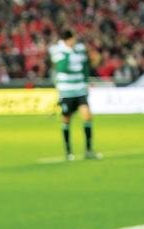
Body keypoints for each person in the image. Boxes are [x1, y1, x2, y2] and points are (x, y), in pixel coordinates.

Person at [49, 29, 101, 160]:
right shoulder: (58, 51)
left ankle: (88, 150)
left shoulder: (80, 49)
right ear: (67, 40)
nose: (74, 41)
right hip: (66, 91)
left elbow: (85, 66)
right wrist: (68, 53)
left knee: (87, 117)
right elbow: (61, 68)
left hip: (80, 90)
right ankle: (68, 152)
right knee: (66, 120)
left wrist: (86, 81)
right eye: (73, 39)